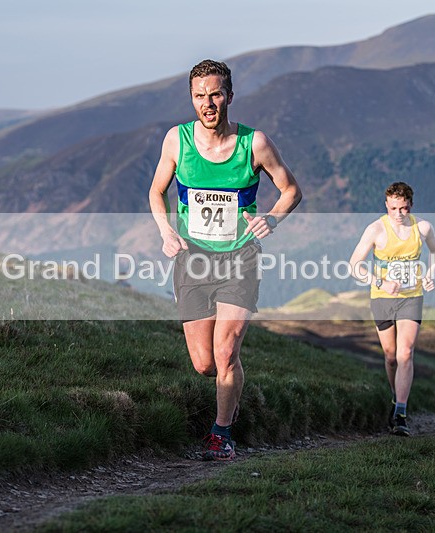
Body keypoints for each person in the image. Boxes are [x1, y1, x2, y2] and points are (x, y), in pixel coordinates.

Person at [149, 59, 302, 460]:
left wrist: (272, 218)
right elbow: (156, 192)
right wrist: (166, 231)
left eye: (215, 94)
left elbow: (290, 190)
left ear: (229, 96)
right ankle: (231, 391)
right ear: (192, 99)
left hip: (240, 260)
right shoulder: (176, 140)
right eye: (200, 96)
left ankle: (222, 433)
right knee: (204, 364)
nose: (208, 103)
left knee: (226, 353)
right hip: (192, 260)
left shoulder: (256, 143)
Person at [349, 182, 435, 437]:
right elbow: (354, 264)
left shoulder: (422, 228)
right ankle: (395, 397)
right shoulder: (376, 229)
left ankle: (401, 412)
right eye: (393, 208)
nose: (398, 213)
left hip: (412, 296)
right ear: (386, 206)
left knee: (406, 353)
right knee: (391, 356)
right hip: (382, 297)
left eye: (403, 208)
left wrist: (431, 274)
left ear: (411, 205)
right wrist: (380, 281)